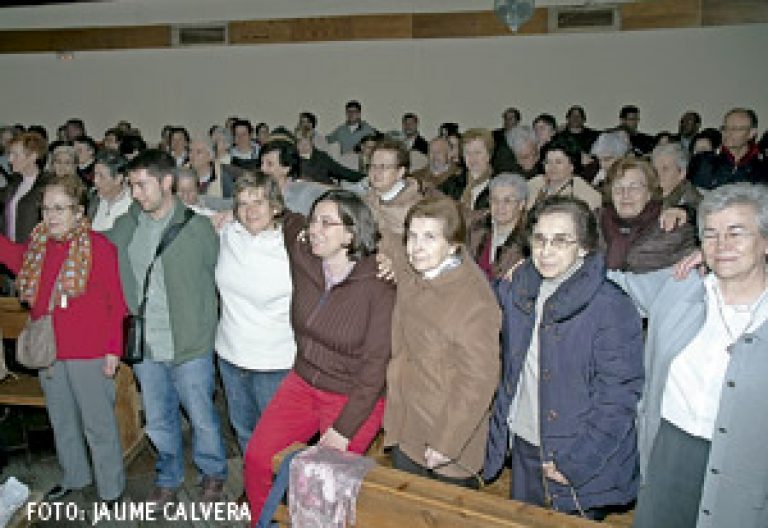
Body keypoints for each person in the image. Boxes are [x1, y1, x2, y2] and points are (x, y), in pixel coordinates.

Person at [608, 183, 768, 528]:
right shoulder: (680, 285)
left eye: (735, 233)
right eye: (710, 234)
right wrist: (555, 264)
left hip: (748, 466)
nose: (722, 245)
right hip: (669, 449)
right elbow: (614, 286)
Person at [485, 196, 643, 520]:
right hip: (526, 440)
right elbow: (473, 296)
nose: (546, 250)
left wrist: (577, 462)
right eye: (540, 239)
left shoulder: (610, 306)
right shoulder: (519, 288)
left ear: (583, 247)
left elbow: (619, 398)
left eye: (561, 241)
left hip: (576, 454)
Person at [243, 189, 395, 520]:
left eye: (327, 223)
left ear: (352, 233)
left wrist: (343, 429)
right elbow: (286, 218)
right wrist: (231, 215)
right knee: (257, 458)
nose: (315, 229)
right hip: (303, 382)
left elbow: (374, 371)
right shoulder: (304, 253)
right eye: (314, 220)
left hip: (355, 396)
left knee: (322, 487)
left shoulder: (378, 285)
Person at [106, 149, 227, 504]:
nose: (136, 193)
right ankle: (168, 475)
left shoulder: (200, 228)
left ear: (166, 182)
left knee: (202, 417)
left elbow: (221, 271)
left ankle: (213, 471)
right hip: (147, 345)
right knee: (158, 418)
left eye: (142, 185)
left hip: (190, 342)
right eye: (132, 186)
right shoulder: (125, 227)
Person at [0, 174, 128, 503]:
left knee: (98, 426)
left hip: (89, 351)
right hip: (50, 350)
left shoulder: (99, 247)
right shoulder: (38, 244)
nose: (51, 216)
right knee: (61, 420)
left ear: (79, 210)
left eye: (60, 208)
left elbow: (117, 304)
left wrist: (114, 350)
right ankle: (76, 475)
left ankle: (111, 490)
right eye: (46, 209)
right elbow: (16, 260)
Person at [383, 197, 501, 488]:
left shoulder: (474, 301)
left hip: (445, 435)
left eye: (430, 237)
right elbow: (387, 239)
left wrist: (446, 442)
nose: (416, 246)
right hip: (407, 418)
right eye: (412, 235)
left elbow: (478, 380)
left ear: (453, 244)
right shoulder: (417, 267)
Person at [215, 172, 295, 453]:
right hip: (230, 356)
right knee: (244, 431)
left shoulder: (295, 244)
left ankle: (281, 495)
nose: (250, 211)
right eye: (243, 203)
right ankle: (255, 489)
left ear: (275, 206)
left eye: (258, 202)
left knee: (278, 439)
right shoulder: (228, 233)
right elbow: (187, 208)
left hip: (275, 362)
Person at [600, 157, 695, 273]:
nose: (625, 194)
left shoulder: (672, 227)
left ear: (649, 193)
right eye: (618, 188)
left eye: (634, 187)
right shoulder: (595, 224)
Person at [688, 108, 766, 190]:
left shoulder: (762, 169)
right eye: (725, 128)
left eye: (735, 128)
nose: (727, 133)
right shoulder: (702, 161)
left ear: (751, 133)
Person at [468, 173, 528, 280]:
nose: (500, 206)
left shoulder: (528, 241)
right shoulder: (476, 228)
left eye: (507, 201)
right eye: (495, 200)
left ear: (521, 204)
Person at [527, 135, 602, 211]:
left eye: (558, 162)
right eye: (547, 162)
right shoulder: (533, 184)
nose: (552, 167)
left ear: (572, 165)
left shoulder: (586, 193)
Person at [1, 131, 51, 242]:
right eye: (9, 154)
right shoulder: (14, 182)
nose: (10, 159)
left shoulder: (48, 185)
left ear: (33, 156)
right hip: (10, 250)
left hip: (35, 250)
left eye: (15, 155)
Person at [651, 143, 702, 211]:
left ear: (682, 173)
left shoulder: (690, 203)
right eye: (655, 169)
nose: (658, 174)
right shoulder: (651, 193)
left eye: (665, 169)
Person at [90, 149, 131, 232]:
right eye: (95, 174)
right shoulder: (95, 200)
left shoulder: (132, 206)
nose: (95, 180)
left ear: (118, 179)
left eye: (101, 176)